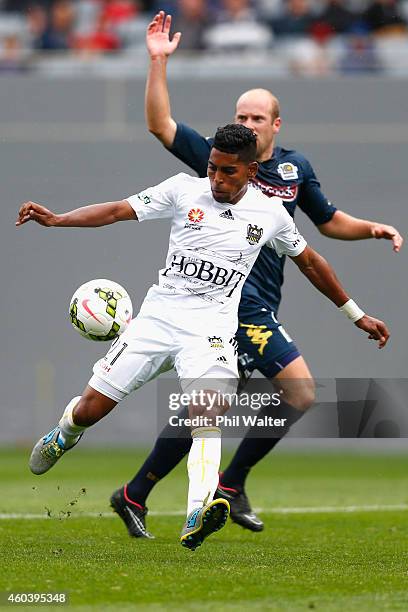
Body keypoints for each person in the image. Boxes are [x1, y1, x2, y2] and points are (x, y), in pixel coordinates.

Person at [107, 11, 403, 540]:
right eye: (240, 116)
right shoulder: (217, 160)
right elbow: (161, 124)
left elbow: (329, 224)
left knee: (210, 405)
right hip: (228, 306)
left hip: (264, 303)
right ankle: (227, 485)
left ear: (276, 125)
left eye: (256, 118)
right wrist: (157, 64)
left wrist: (372, 229)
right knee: (300, 390)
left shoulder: (293, 170)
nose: (246, 125)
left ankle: (137, 493)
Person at [17, 124, 388, 548]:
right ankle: (64, 432)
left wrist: (355, 315)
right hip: (158, 320)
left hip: (210, 331)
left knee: (207, 416)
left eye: (228, 172)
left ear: (251, 172)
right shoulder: (182, 190)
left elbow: (311, 263)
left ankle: (198, 511)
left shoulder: (270, 214)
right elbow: (119, 210)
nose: (216, 179)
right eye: (212, 168)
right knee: (89, 410)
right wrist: (59, 219)